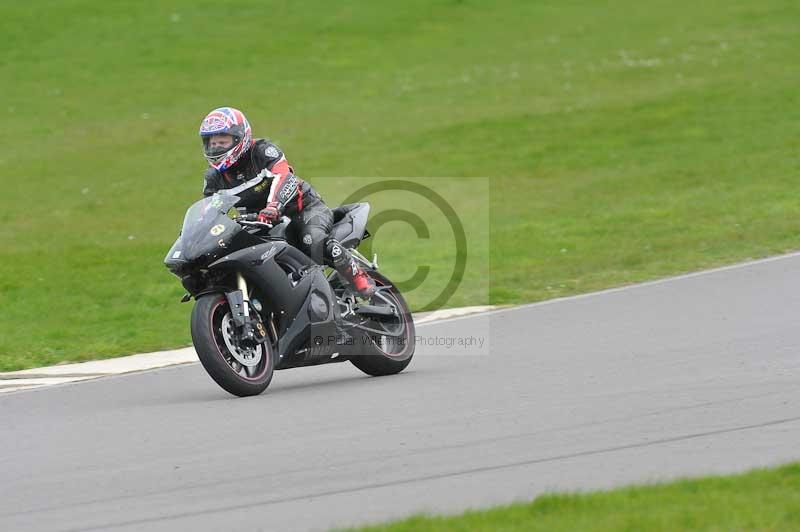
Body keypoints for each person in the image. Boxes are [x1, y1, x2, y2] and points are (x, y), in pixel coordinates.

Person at [199, 107, 376, 298]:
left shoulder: (263, 151)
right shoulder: (214, 177)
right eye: (212, 142)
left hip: (303, 209)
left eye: (222, 141)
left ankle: (359, 278)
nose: (216, 147)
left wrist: (274, 205)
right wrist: (199, 232)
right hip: (259, 222)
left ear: (239, 137)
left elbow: (284, 177)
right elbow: (210, 209)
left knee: (313, 240)